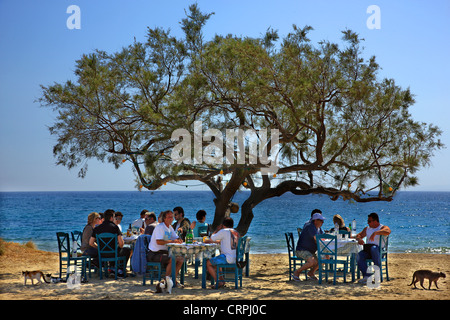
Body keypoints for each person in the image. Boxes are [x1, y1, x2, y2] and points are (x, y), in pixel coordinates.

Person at [89, 209, 131, 277]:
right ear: (111, 218)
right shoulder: (115, 227)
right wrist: (120, 245)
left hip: (102, 254)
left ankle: (112, 269)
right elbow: (121, 244)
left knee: (116, 249)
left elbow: (91, 243)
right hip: (113, 253)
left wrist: (99, 248)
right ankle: (120, 270)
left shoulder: (97, 228)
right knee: (127, 250)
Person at [146, 210, 184, 285]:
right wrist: (172, 241)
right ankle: (166, 280)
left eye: (172, 217)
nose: (171, 219)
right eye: (169, 217)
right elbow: (159, 242)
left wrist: (179, 240)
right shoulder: (160, 227)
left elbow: (175, 237)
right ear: (164, 218)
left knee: (181, 259)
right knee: (173, 259)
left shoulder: (170, 227)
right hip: (154, 254)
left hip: (164, 252)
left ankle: (173, 279)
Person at [356, 212, 391, 283]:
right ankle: (367, 276)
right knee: (359, 255)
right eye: (367, 221)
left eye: (369, 221)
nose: (368, 223)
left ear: (375, 221)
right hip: (368, 251)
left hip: (379, 251)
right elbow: (358, 235)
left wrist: (376, 233)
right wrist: (359, 239)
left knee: (374, 248)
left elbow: (388, 231)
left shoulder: (382, 227)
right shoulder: (367, 229)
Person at [205, 217, 240, 288]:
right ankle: (221, 280)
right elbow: (227, 242)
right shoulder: (235, 232)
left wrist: (217, 230)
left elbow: (212, 238)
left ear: (223, 225)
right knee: (216, 262)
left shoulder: (223, 231)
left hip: (227, 258)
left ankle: (218, 282)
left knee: (208, 263)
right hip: (235, 258)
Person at [293, 212, 326, 281]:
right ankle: (296, 272)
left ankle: (311, 273)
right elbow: (316, 238)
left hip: (310, 251)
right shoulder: (310, 226)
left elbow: (322, 237)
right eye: (321, 221)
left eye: (323, 221)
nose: (322, 222)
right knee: (312, 262)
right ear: (315, 221)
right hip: (302, 250)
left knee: (325, 258)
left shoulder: (318, 228)